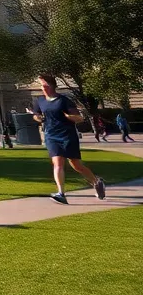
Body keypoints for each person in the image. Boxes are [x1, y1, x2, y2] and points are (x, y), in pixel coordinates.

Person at [33, 75, 106, 204]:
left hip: (67, 135)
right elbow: (36, 115)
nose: (42, 88)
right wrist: (39, 118)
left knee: (76, 165)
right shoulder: (40, 100)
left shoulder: (64, 101)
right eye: (41, 86)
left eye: (44, 85)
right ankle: (61, 193)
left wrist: (68, 116)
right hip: (51, 135)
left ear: (52, 86)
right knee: (58, 163)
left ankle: (96, 182)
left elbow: (79, 118)